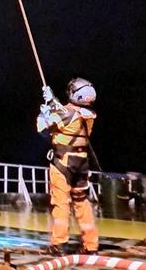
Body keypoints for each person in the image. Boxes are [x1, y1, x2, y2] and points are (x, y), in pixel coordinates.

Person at [36, 77, 99, 256]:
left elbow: (42, 130)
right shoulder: (89, 116)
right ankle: (90, 245)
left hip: (62, 162)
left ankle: (59, 243)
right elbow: (65, 113)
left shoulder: (67, 114)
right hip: (81, 163)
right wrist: (52, 100)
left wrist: (44, 112)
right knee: (82, 203)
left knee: (60, 203)